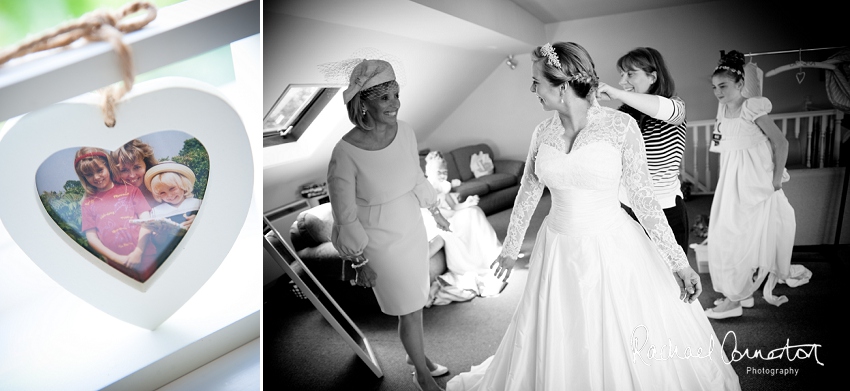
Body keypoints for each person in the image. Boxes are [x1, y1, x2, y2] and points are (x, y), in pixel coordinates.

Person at [446, 42, 740, 391]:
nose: (532, 89)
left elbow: (644, 199)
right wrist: (510, 248)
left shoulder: (621, 126)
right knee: (557, 333)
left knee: (614, 335)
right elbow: (528, 191)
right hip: (555, 248)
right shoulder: (542, 132)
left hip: (610, 244)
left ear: (563, 85)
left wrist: (678, 261)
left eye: (536, 81)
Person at [326, 58, 451, 391]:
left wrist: (435, 209)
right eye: (385, 98)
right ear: (363, 103)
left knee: (416, 300)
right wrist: (359, 260)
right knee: (407, 307)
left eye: (396, 95)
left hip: (411, 226)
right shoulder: (345, 152)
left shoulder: (406, 131)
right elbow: (344, 214)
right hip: (378, 240)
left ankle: (417, 356)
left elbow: (415, 175)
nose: (395, 104)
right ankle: (421, 374)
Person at [704, 50, 796, 319]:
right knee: (728, 235)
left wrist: (776, 180)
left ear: (740, 85)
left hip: (753, 181)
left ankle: (733, 300)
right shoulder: (723, 108)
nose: (718, 92)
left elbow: (781, 142)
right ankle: (742, 294)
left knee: (738, 236)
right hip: (731, 179)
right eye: (714, 87)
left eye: (724, 86)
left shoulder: (752, 106)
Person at [596, 47, 690, 255]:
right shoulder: (624, 115)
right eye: (622, 75)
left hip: (665, 210)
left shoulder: (676, 108)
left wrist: (615, 93)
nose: (622, 81)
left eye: (630, 74)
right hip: (627, 209)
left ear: (652, 76)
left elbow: (659, 108)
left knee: (671, 278)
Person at [422, 151, 503, 299]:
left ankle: (491, 255)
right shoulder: (426, 190)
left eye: (445, 172)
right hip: (439, 222)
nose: (442, 175)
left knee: (474, 211)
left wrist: (468, 203)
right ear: (429, 172)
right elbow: (436, 214)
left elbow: (454, 207)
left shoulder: (445, 186)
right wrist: (452, 215)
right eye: (439, 172)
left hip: (450, 215)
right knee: (468, 216)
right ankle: (469, 264)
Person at [75, 147, 157, 283]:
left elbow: (146, 221)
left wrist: (138, 252)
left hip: (146, 256)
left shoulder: (131, 190)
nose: (96, 177)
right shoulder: (88, 203)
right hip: (117, 265)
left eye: (100, 170)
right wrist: (117, 259)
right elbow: (92, 238)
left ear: (108, 166)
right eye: (89, 175)